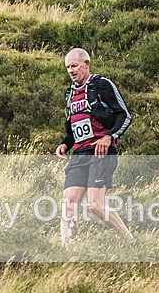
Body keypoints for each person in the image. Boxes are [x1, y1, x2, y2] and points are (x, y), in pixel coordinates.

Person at [54, 47, 136, 245]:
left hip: (101, 153)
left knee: (94, 205)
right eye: (67, 68)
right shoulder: (70, 94)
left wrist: (109, 136)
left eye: (74, 66)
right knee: (69, 201)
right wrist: (65, 144)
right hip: (79, 154)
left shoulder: (102, 85)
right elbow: (72, 128)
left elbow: (124, 115)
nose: (71, 71)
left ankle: (130, 240)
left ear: (86, 64)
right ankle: (67, 249)